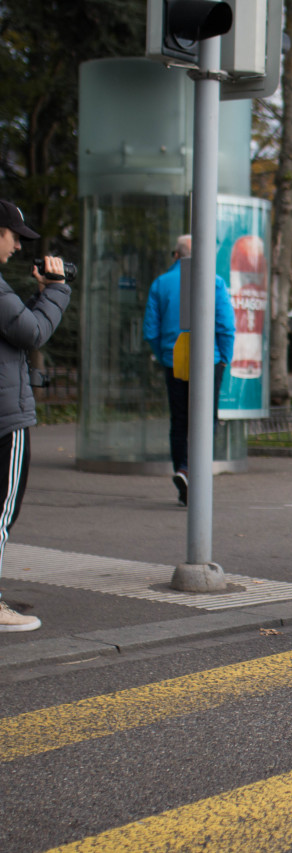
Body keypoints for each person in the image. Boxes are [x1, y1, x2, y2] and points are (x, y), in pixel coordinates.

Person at [0, 201, 72, 632]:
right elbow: (32, 332)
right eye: (13, 237)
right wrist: (59, 289)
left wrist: (37, 297)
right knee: (1, 511)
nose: (14, 248)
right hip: (5, 417)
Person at [144, 235, 236, 506]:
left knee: (180, 419)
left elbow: (150, 329)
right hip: (208, 361)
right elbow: (225, 325)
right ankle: (191, 471)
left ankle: (183, 472)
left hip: (175, 361)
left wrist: (164, 355)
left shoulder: (161, 284)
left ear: (177, 255)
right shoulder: (214, 282)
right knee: (205, 419)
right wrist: (224, 359)